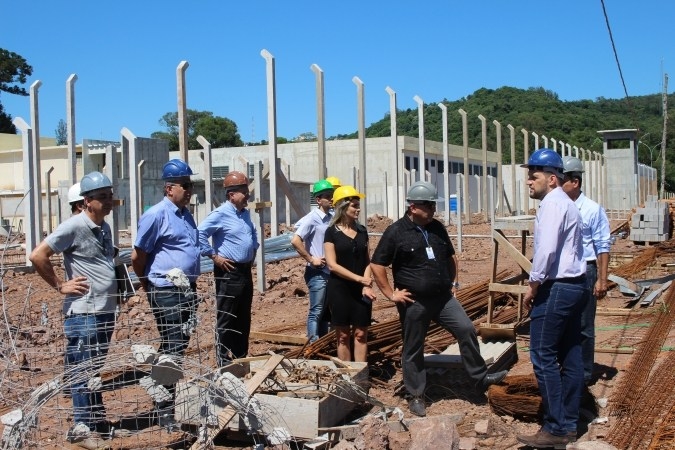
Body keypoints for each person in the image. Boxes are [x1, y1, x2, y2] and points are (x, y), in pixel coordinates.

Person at [370, 180, 507, 417]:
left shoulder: (437, 227)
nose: (434, 209)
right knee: (413, 347)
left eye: (434, 205)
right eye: (429, 205)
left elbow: (450, 255)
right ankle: (415, 395)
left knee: (466, 329)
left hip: (443, 298)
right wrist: (390, 293)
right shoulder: (396, 232)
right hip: (414, 301)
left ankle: (480, 378)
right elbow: (377, 264)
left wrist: (453, 283)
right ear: (413, 207)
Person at [30, 171, 117, 442]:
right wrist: (60, 285)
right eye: (102, 197)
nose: (108, 201)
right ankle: (81, 428)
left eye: (110, 195)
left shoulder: (104, 227)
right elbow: (37, 255)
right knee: (82, 370)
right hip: (84, 312)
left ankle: (96, 421)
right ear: (87, 201)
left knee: (94, 369)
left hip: (104, 310)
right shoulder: (74, 226)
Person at [516, 149, 588, 448]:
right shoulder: (566, 203)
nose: (528, 182)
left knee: (543, 357)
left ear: (553, 179)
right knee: (570, 355)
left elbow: (545, 251)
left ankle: (556, 428)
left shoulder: (552, 205)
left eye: (533, 177)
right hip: (575, 285)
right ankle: (569, 423)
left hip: (557, 287)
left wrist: (533, 285)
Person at [131, 159, 201, 429]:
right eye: (184, 185)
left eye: (190, 184)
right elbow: (138, 255)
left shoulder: (185, 214)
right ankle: (164, 407)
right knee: (173, 347)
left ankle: (160, 387)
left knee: (178, 345)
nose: (189, 189)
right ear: (169, 188)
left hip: (186, 290)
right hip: (166, 290)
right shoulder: (156, 215)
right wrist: (147, 284)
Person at [198, 171, 259, 366]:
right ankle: (223, 360)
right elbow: (199, 233)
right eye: (243, 191)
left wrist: (253, 249)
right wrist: (214, 257)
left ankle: (241, 356)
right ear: (232, 194)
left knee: (243, 315)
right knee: (227, 315)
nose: (247, 195)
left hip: (245, 271)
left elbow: (252, 235)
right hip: (228, 271)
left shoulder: (244, 214)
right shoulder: (221, 214)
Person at [561, 156, 611, 385]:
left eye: (563, 180)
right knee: (563, 322)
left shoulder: (592, 209)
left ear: (575, 182)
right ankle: (567, 368)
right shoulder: (557, 207)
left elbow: (602, 246)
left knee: (584, 324)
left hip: (586, 271)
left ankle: (585, 374)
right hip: (563, 272)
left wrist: (602, 279)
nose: (559, 185)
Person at [323, 185, 376, 362]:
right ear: (342, 207)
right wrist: (360, 279)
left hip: (361, 290)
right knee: (343, 336)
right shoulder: (331, 233)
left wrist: (366, 283)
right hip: (340, 289)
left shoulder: (362, 231)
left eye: (358, 205)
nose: (358, 209)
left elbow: (368, 260)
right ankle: (347, 377)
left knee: (361, 334)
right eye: (354, 205)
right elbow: (332, 265)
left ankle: (361, 376)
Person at [291, 179, 335, 343]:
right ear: (318, 200)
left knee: (325, 311)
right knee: (316, 310)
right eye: (327, 196)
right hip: (317, 273)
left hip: (329, 271)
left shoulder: (331, 217)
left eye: (332, 196)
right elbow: (295, 240)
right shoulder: (312, 218)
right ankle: (313, 343)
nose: (331, 199)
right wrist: (311, 259)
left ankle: (322, 342)